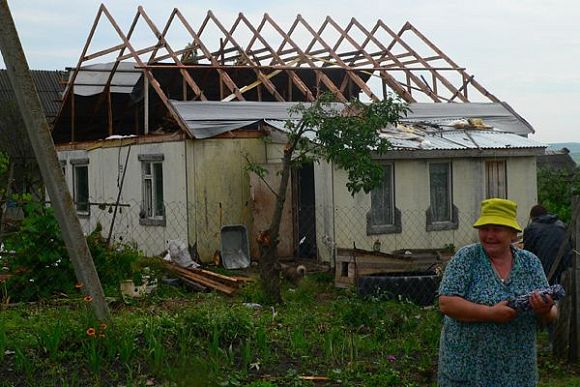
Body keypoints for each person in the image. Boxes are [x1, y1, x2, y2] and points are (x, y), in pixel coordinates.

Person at [437, 198, 558, 386]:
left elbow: (552, 312)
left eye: (497, 229)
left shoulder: (530, 263)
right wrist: (490, 313)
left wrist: (544, 309)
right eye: (485, 228)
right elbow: (446, 302)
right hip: (468, 371)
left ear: (513, 234)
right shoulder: (466, 258)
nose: (489, 235)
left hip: (517, 371)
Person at [523, 204, 571, 284]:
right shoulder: (561, 225)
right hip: (563, 270)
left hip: (542, 272)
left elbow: (526, 256)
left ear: (532, 217)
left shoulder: (532, 229)